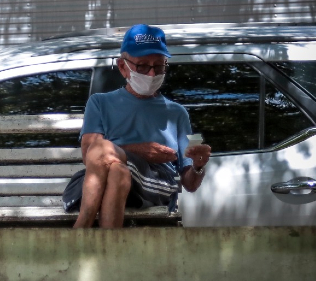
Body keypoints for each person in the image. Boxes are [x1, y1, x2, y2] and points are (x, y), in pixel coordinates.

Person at [68, 24, 212, 228]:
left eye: (159, 66)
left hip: (156, 183)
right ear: (122, 67)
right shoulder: (100, 103)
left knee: (104, 151)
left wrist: (197, 167)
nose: (152, 74)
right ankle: (108, 251)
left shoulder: (177, 113)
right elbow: (89, 155)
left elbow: (189, 184)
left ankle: (79, 231)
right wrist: (141, 151)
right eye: (143, 65)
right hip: (111, 178)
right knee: (118, 171)